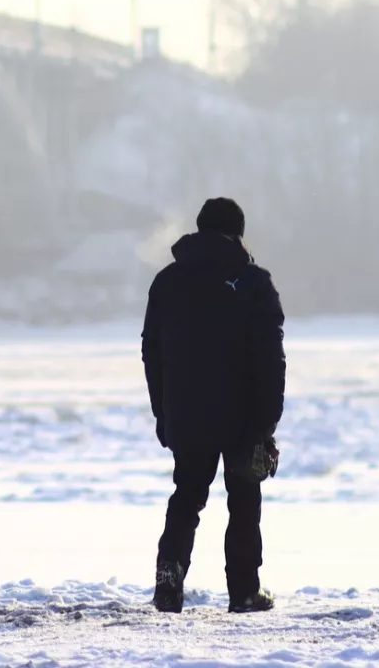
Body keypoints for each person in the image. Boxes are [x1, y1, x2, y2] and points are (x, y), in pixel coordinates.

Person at [141, 197, 286, 614]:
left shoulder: (167, 281)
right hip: (243, 416)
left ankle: (169, 583)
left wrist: (163, 412)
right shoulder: (253, 282)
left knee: (186, 496)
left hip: (186, 412)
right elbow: (270, 357)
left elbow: (152, 352)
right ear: (238, 233)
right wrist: (268, 421)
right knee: (243, 501)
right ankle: (244, 592)